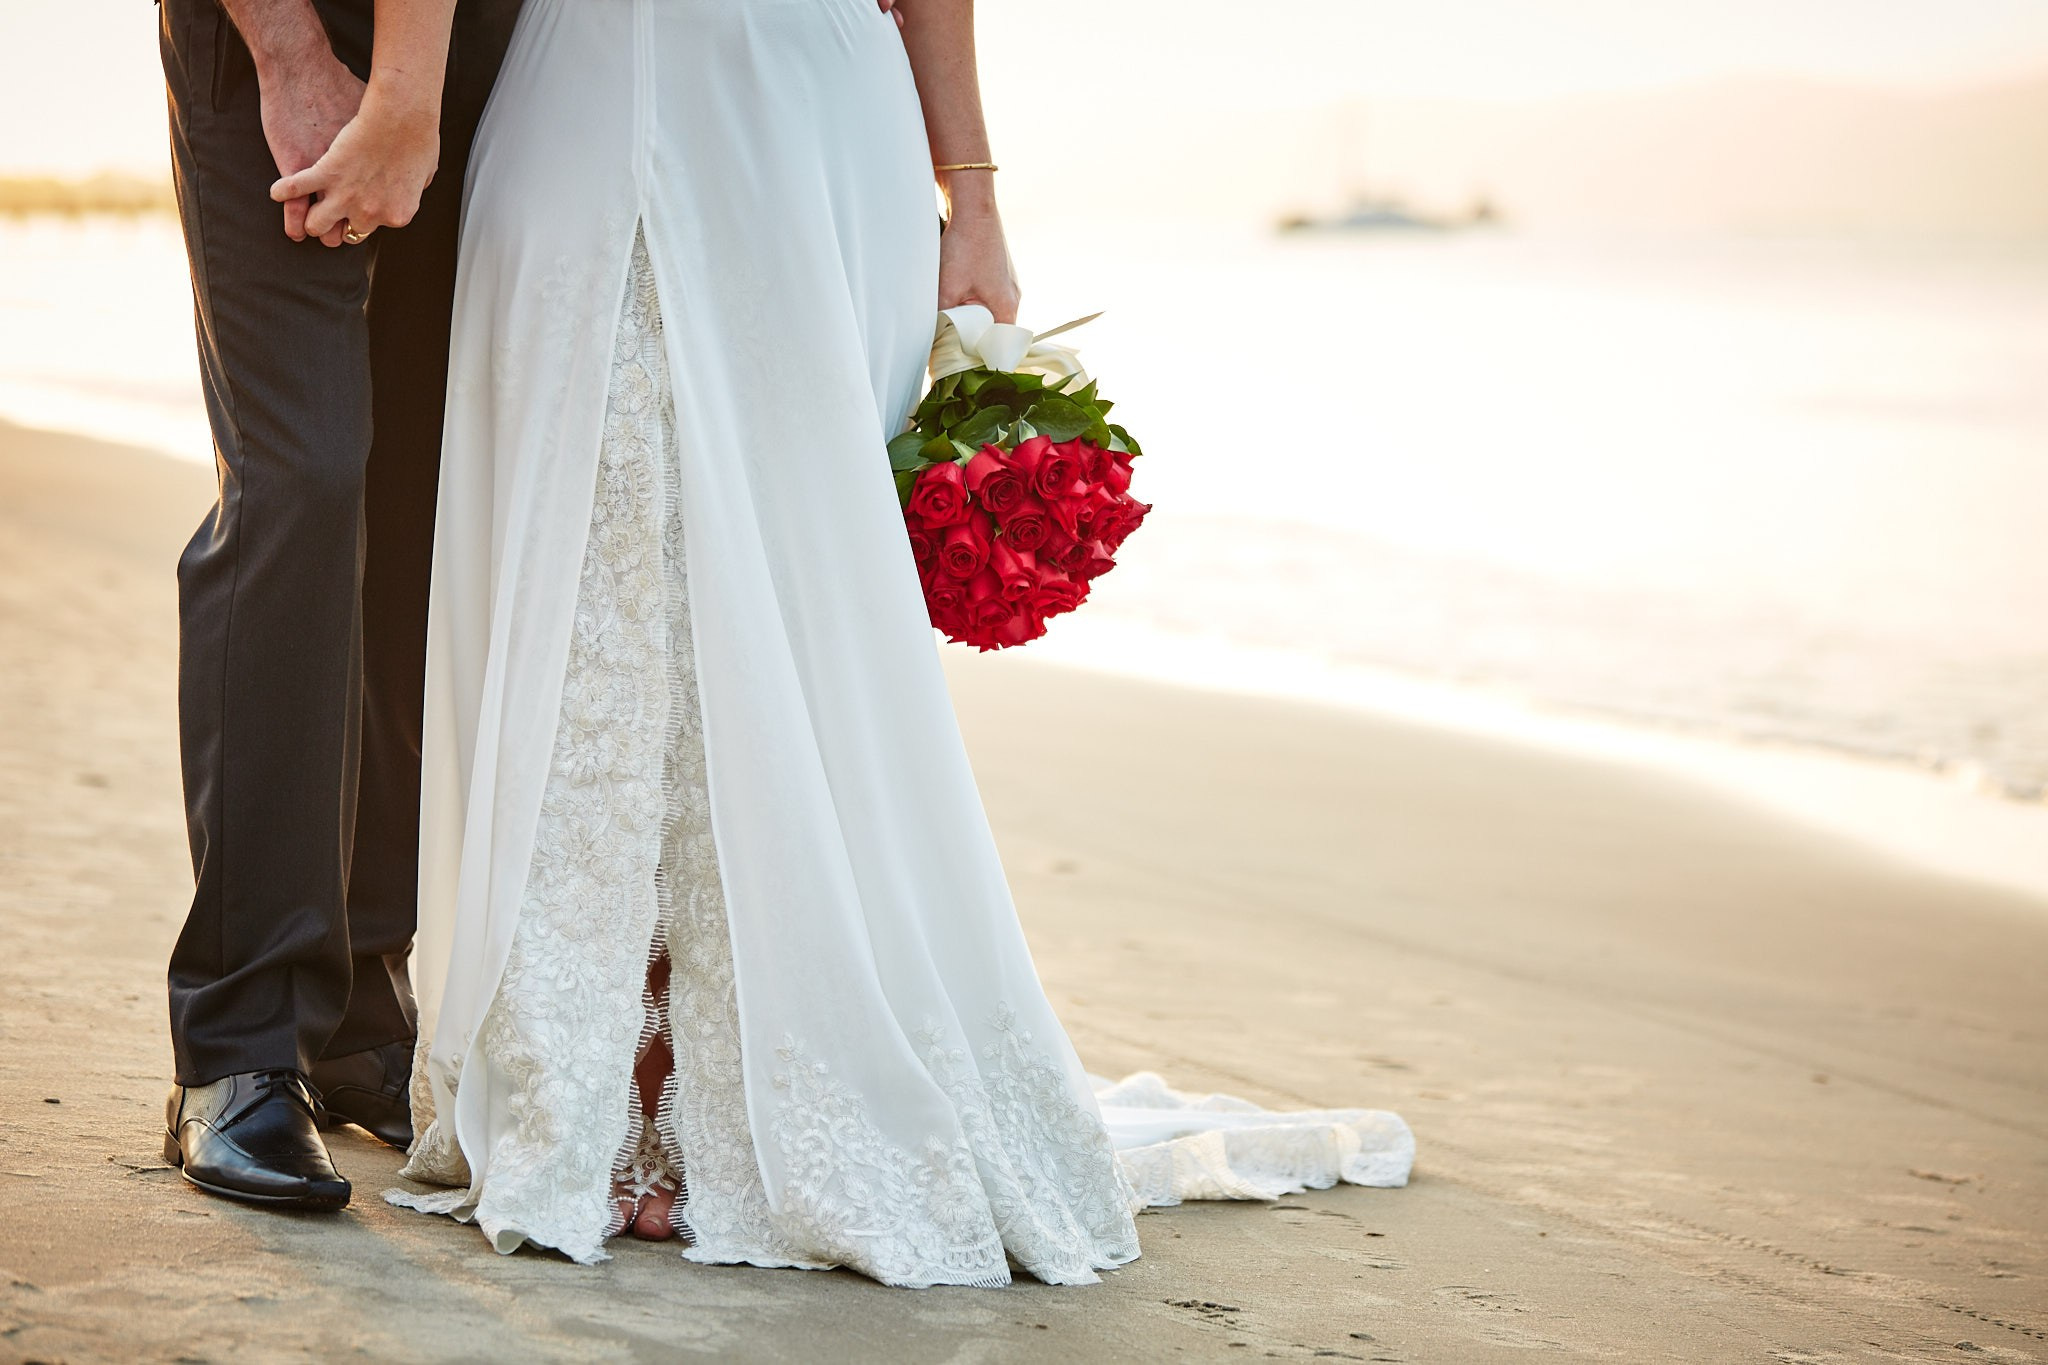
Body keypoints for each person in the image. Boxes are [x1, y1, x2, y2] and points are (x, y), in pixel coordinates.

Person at [274, 0, 1414, 1285]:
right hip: (592, 87)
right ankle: (612, 1087)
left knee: (794, 598)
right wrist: (404, 102)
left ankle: (728, 1092)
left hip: (818, 117)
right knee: (603, 569)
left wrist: (969, 193)